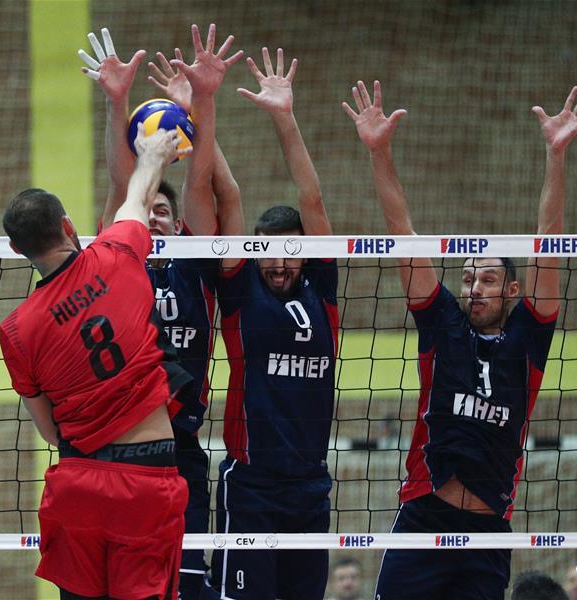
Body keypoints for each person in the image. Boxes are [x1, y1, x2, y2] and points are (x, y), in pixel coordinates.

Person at [343, 80, 577, 599]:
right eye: (466, 278)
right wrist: (379, 152)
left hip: (486, 533)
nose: (472, 288)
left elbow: (549, 237)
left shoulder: (529, 339)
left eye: (484, 279)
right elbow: (402, 232)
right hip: (422, 519)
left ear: (511, 289)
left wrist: (556, 154)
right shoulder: (443, 326)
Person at [79, 25, 243, 599]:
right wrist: (117, 102)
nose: (153, 216)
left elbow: (201, 182)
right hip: (119, 451)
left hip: (181, 451)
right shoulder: (114, 263)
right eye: (146, 210)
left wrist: (202, 102)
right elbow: (124, 184)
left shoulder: (195, 263)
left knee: (188, 589)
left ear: (178, 225)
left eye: (163, 212)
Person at [0, 121, 190, 599]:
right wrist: (153, 150)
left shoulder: (16, 332)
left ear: (16, 249)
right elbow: (140, 193)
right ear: (68, 227)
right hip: (147, 476)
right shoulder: (117, 252)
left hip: (80, 481)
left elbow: (48, 430)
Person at [209, 46, 338, 600]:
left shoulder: (323, 293)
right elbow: (226, 196)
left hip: (310, 486)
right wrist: (199, 108)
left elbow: (311, 196)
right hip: (252, 486)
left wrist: (286, 118)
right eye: (270, 252)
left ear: (305, 254)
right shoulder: (241, 294)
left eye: (290, 252)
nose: (279, 263)